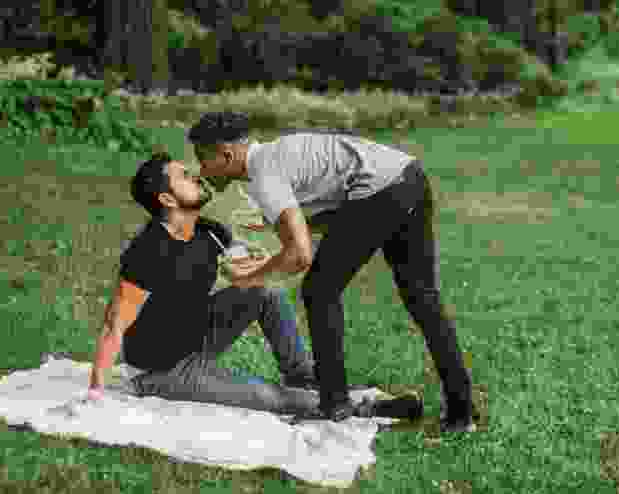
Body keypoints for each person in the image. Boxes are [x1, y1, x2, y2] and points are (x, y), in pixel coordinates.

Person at [188, 111, 479, 434]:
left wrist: (251, 277)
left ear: (227, 155)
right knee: (423, 299)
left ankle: (334, 403)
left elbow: (300, 255)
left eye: (203, 159)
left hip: (382, 190)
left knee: (319, 290)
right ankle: (461, 410)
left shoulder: (263, 172)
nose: (201, 170)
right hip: (408, 175)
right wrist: (274, 243)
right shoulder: (275, 156)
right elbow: (338, 218)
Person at [85, 152, 423, 422]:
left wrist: (257, 260)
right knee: (265, 397)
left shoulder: (210, 232)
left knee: (268, 291)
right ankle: (362, 407)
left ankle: (302, 374)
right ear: (167, 199)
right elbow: (116, 322)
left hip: (197, 333)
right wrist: (96, 391)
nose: (196, 175)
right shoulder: (148, 252)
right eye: (185, 176)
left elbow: (239, 266)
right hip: (162, 369)